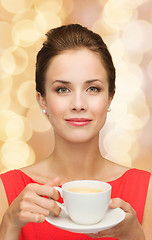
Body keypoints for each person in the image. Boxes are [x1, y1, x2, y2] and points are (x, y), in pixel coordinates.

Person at [0, 24, 151, 240]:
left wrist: (135, 236)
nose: (78, 104)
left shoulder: (146, 191)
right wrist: (9, 225)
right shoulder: (7, 191)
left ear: (110, 97)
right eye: (62, 89)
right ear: (42, 100)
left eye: (93, 89)